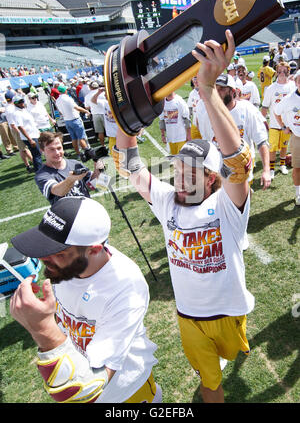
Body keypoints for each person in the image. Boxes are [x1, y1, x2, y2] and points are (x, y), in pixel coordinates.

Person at [114, 30, 254, 403]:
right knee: (210, 384)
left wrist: (207, 92)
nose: (178, 176)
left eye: (189, 171)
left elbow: (238, 164)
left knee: (227, 356)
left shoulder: (225, 205)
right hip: (188, 316)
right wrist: (126, 125)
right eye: (176, 168)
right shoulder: (168, 202)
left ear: (210, 178)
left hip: (228, 312)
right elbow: (129, 167)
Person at [9, 196, 161, 403]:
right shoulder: (70, 266)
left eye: (57, 253)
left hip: (125, 395)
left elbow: (86, 388)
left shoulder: (125, 287)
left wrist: (42, 328)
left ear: (94, 249)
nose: (44, 260)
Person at [196, 73, 271, 190]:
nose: (217, 93)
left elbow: (261, 141)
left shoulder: (247, 109)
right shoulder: (207, 113)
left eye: (222, 89)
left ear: (233, 91)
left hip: (241, 171)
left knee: (242, 204)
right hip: (218, 171)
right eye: (215, 89)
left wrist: (266, 169)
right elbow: (208, 142)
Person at [35, 131, 100, 206]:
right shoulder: (42, 175)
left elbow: (93, 184)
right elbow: (58, 191)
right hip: (66, 215)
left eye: (59, 148)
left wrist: (97, 165)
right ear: (42, 151)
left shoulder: (75, 164)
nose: (57, 153)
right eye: (51, 149)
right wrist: (71, 179)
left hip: (86, 209)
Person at [261, 61, 296, 179]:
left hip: (289, 124)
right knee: (272, 147)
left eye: (284, 71)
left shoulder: (292, 86)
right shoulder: (271, 88)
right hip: (274, 124)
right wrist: (262, 121)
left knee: (284, 146)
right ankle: (271, 169)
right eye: (280, 71)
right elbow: (265, 106)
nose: (282, 73)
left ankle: (282, 165)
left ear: (288, 71)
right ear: (276, 72)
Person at [274, 69, 300, 205]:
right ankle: (298, 194)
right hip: (297, 137)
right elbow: (276, 111)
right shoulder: (289, 98)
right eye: (299, 80)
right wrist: (283, 126)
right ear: (295, 82)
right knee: (297, 167)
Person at [55, 85, 90, 158]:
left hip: (67, 121)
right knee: (81, 138)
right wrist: (86, 111)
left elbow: (60, 112)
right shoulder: (68, 99)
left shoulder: (57, 100)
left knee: (74, 138)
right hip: (75, 119)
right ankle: (88, 152)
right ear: (65, 90)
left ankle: (78, 154)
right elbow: (77, 107)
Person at [4, 90, 34, 173]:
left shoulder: (9, 107)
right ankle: (33, 163)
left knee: (22, 148)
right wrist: (20, 133)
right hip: (17, 130)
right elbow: (13, 124)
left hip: (16, 129)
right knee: (24, 148)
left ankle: (28, 165)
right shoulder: (11, 109)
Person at [13, 94, 43, 172]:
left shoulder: (24, 110)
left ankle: (38, 169)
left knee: (36, 154)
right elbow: (20, 127)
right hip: (29, 137)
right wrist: (30, 139)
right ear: (15, 103)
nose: (22, 103)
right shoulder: (17, 113)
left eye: (22, 101)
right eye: (19, 102)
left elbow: (31, 123)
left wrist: (37, 131)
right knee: (37, 154)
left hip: (33, 134)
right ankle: (40, 171)